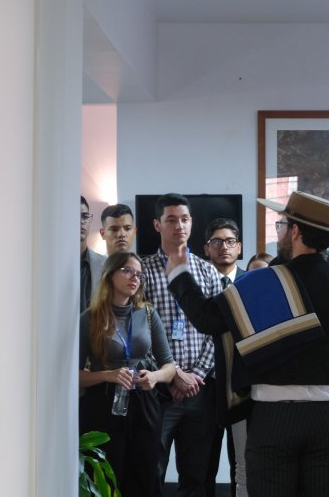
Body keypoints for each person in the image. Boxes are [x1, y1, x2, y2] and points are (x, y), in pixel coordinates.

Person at [165, 191, 329, 497]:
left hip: (274, 416)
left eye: (282, 225)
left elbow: (208, 320)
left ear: (295, 231)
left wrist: (178, 272)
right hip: (328, 416)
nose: (280, 233)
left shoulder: (261, 281)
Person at [141, 193, 222, 497]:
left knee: (196, 477)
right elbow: (140, 333)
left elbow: (218, 332)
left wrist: (195, 376)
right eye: (171, 220)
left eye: (185, 219)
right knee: (152, 472)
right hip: (159, 391)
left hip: (199, 391)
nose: (179, 226)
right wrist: (173, 374)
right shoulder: (143, 271)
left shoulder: (207, 271)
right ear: (157, 225)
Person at [79, 251, 177, 496]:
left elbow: (169, 367)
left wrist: (154, 377)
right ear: (110, 275)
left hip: (143, 403)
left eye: (139, 275)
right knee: (107, 477)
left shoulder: (147, 314)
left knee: (144, 475)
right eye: (128, 271)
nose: (135, 278)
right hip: (103, 403)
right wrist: (107, 375)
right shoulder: (90, 317)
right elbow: (74, 377)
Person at [203, 218, 245, 497]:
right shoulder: (196, 285)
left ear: (239, 247)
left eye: (230, 241)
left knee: (241, 464)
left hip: (242, 386)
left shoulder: (252, 282)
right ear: (207, 248)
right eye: (216, 242)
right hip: (205, 385)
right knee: (202, 464)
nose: (224, 247)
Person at [81, 195, 107, 313]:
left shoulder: (104, 264)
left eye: (85, 216)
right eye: (75, 216)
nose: (81, 222)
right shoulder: (53, 265)